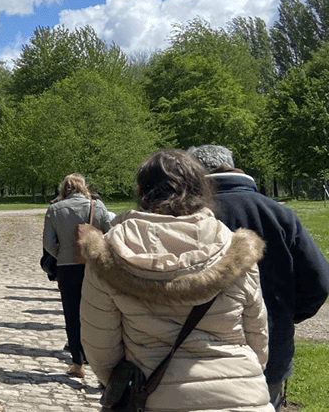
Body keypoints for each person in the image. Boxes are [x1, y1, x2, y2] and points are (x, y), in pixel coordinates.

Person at [79, 149, 274, 411]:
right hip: (242, 396)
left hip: (154, 395)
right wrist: (244, 373)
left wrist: (124, 383)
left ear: (142, 191)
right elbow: (257, 335)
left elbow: (100, 348)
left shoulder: (109, 253)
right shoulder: (233, 247)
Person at [188, 144, 329, 410]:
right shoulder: (280, 214)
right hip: (270, 345)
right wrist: (285, 314)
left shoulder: (184, 216)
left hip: (198, 349)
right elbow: (319, 282)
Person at [42, 173, 111, 377]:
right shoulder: (96, 206)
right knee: (96, 312)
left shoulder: (55, 209)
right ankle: (97, 356)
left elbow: (48, 242)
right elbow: (110, 233)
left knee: (72, 313)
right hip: (92, 265)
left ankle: (77, 361)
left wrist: (62, 254)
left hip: (67, 267)